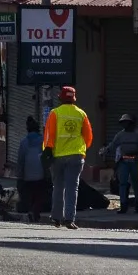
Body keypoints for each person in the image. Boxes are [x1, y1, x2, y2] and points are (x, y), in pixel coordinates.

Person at [43, 86, 93, 229]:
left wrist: (47, 151)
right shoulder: (81, 114)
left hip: (58, 156)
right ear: (74, 98)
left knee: (58, 187)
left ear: (61, 98)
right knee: (72, 188)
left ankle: (56, 218)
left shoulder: (55, 113)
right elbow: (88, 137)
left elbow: (49, 135)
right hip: (76, 156)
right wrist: (81, 150)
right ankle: (69, 219)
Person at [105, 114, 138, 214]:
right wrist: (105, 151)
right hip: (124, 161)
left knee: (136, 183)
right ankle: (123, 205)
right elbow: (113, 145)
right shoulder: (120, 134)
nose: (125, 124)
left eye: (127, 122)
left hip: (135, 160)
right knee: (122, 183)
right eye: (123, 122)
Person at [16, 116, 50, 223]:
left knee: (30, 194)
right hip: (40, 176)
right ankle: (35, 212)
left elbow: (21, 161)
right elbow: (46, 158)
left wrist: (20, 176)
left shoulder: (24, 143)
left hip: (27, 177)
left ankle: (31, 210)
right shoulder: (43, 141)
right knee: (40, 194)